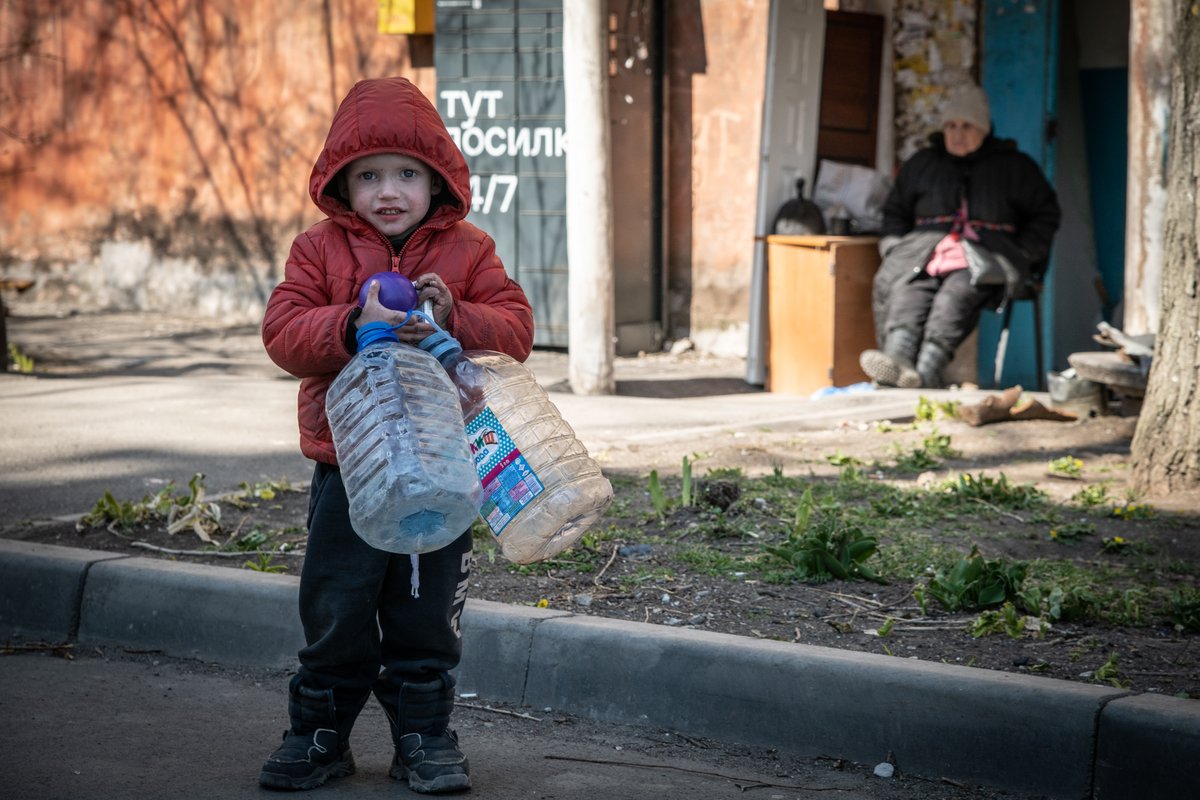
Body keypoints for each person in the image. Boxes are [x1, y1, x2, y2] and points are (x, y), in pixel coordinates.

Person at [259, 76, 534, 793]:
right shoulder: (316, 252)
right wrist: (351, 324)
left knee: (425, 619)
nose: (389, 190)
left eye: (407, 174)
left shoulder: (469, 252)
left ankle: (424, 737)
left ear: (437, 181)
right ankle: (318, 735)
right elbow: (284, 336)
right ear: (340, 185)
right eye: (368, 175)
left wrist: (459, 314)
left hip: (443, 469)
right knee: (337, 610)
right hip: (349, 470)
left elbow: (517, 330)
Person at [859, 83, 1060, 389]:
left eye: (966, 126)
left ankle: (924, 374)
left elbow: (1045, 214)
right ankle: (896, 362)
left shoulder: (1014, 167)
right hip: (925, 254)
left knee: (954, 297)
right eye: (951, 126)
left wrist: (1019, 254)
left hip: (986, 259)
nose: (957, 133)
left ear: (983, 128)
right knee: (908, 290)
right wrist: (894, 248)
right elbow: (895, 213)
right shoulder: (923, 164)